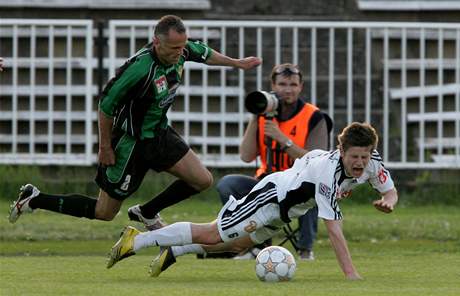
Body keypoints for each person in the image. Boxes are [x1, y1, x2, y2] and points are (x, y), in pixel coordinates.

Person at [8, 15, 262, 229]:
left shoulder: (181, 50)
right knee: (104, 212)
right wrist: (105, 147)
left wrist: (236, 64)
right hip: (130, 144)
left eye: (182, 46)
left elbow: (204, 53)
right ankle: (36, 198)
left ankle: (147, 212)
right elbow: (106, 105)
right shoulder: (139, 70)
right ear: (156, 42)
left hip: (159, 134)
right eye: (173, 48)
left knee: (202, 180)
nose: (180, 53)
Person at [106, 122, 399, 280]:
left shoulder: (372, 161)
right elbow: (334, 229)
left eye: (364, 156)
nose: (360, 162)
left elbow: (389, 189)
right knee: (212, 233)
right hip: (270, 198)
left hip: (286, 208)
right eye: (354, 156)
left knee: (238, 244)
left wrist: (389, 200)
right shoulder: (328, 173)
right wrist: (351, 275)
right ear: (342, 151)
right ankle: (137, 240)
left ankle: (176, 251)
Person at [215, 63, 330, 260]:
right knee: (227, 184)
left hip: (297, 183)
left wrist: (283, 140)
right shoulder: (264, 114)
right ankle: (258, 246)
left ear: (301, 86)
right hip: (267, 182)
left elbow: (318, 163)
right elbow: (246, 156)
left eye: (293, 84)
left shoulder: (314, 116)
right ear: (273, 85)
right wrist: (256, 114)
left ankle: (305, 250)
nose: (287, 89)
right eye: (282, 84)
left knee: (313, 186)